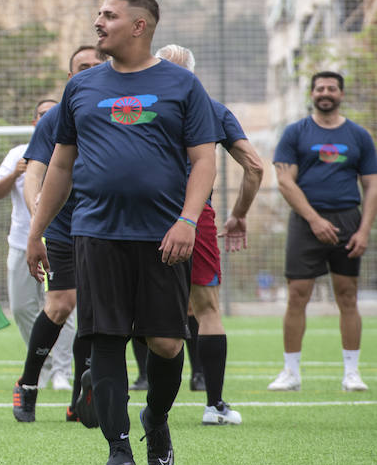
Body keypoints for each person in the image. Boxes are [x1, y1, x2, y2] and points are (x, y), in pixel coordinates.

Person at [28, 0, 218, 465]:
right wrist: (36, 232)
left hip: (163, 237)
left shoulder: (182, 86)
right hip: (96, 233)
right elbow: (61, 165)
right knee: (104, 340)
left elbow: (204, 161)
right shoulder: (81, 87)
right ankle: (118, 450)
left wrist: (187, 221)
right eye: (98, 13)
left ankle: (155, 419)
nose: (98, 22)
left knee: (167, 345)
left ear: (139, 26)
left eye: (108, 15)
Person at [154, 44, 264, 425]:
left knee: (132, 307)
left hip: (136, 217)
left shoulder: (135, 107)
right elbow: (254, 167)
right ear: (192, 75)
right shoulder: (212, 110)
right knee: (207, 308)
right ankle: (214, 405)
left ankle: (114, 395)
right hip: (194, 216)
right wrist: (238, 215)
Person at [268, 71, 377, 393]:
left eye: (331, 88)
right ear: (311, 93)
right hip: (305, 223)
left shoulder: (359, 136)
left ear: (341, 94)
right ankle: (291, 373)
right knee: (297, 296)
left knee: (347, 295)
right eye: (319, 88)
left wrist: (364, 229)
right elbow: (285, 181)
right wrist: (314, 219)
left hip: (348, 221)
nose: (325, 93)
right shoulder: (295, 133)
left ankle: (352, 373)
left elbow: (371, 185)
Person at [12, 46, 103, 423]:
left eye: (97, 65)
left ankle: (80, 398)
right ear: (70, 77)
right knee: (62, 303)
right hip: (65, 227)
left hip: (106, 226)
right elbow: (35, 172)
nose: (91, 71)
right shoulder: (58, 117)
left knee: (98, 312)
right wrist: (40, 218)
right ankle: (28, 383)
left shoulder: (119, 112)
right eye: (82, 67)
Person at [0, 100, 72, 397]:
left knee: (63, 306)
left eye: (52, 113)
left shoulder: (73, 148)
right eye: (42, 114)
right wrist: (16, 173)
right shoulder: (18, 154)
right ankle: (42, 363)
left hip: (60, 242)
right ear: (34, 120)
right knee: (22, 307)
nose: (47, 118)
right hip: (21, 242)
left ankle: (63, 371)